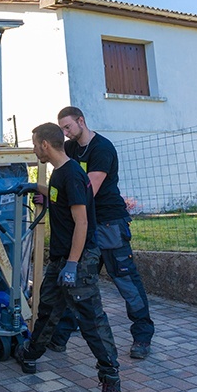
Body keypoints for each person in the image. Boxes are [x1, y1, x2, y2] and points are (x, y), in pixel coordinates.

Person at [14, 122, 122, 392]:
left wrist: (73, 265)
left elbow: (83, 222)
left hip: (79, 259)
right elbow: (59, 196)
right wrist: (35, 187)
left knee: (90, 320)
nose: (35, 149)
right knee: (48, 308)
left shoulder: (72, 175)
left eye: (35, 144)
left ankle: (111, 382)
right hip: (62, 258)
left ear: (45, 146)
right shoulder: (64, 173)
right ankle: (30, 353)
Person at [49, 106, 155, 360]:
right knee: (77, 281)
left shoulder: (102, 149)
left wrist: (62, 202)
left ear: (81, 121)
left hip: (109, 225)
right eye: (61, 129)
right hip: (86, 224)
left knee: (126, 282)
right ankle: (60, 335)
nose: (64, 133)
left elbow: (87, 191)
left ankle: (142, 335)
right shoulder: (72, 149)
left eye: (68, 127)